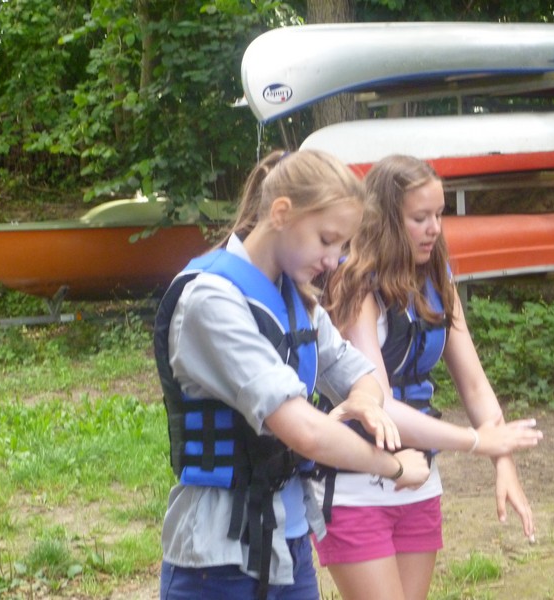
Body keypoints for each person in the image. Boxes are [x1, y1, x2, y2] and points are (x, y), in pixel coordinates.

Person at [153, 149, 431, 600]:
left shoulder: (297, 300)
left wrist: (364, 400)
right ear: (281, 213)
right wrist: (394, 466)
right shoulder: (211, 302)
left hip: (290, 542)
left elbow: (359, 372)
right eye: (327, 240)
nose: (334, 260)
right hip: (216, 560)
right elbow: (306, 433)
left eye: (342, 246)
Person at [314, 154, 543, 600]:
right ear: (385, 220)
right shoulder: (354, 284)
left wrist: (504, 460)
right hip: (356, 482)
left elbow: (474, 384)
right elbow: (379, 403)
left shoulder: (438, 278)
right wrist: (475, 442)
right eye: (420, 218)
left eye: (439, 214)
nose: (434, 228)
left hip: (419, 479)